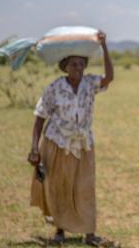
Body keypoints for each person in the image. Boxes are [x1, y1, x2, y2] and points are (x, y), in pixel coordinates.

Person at [27, 31, 114, 246]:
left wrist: (104, 47)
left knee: (85, 187)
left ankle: (90, 233)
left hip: (83, 145)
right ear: (64, 66)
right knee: (60, 186)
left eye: (81, 64)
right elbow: (39, 118)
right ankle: (59, 231)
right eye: (73, 64)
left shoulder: (90, 84)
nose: (78, 68)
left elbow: (109, 77)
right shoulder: (55, 88)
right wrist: (34, 148)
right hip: (57, 143)